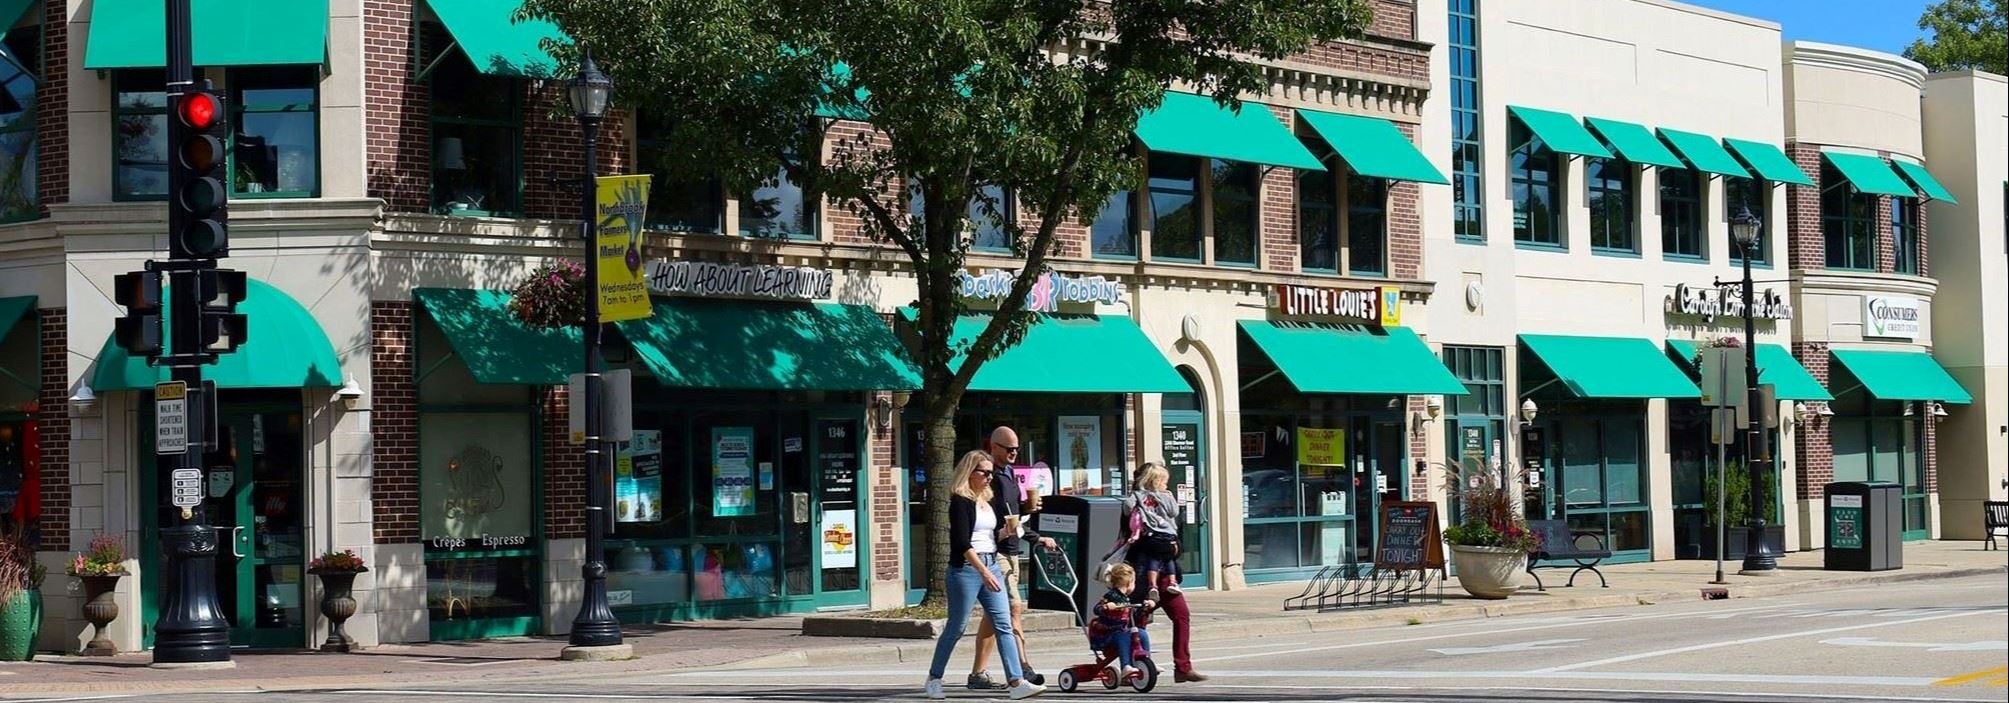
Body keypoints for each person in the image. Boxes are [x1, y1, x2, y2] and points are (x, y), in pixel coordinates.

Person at [924, 450, 1046, 700]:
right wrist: (982, 572)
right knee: (956, 627)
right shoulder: (960, 501)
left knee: (1004, 624)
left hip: (991, 563)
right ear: (969, 472)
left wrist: (1003, 535)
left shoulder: (986, 499)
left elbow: (987, 537)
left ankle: (1016, 681)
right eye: (985, 472)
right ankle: (934, 678)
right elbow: (961, 543)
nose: (990, 477)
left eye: (992, 473)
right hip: (966, 570)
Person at [969, 426, 1057, 689]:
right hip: (996, 551)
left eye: (1016, 449)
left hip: (1012, 548)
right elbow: (991, 514)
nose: (1014, 453)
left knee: (994, 614)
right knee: (1013, 607)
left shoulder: (1009, 473)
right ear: (993, 446)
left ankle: (977, 674)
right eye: (1009, 449)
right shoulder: (988, 476)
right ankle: (1023, 668)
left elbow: (1012, 514)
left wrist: (1029, 519)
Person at [1122, 466, 1208, 684]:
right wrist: (1168, 547)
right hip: (1142, 574)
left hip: (1165, 575)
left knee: (1181, 615)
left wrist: (1173, 547)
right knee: (1136, 622)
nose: (1165, 485)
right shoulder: (1135, 504)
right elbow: (1136, 539)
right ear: (1152, 481)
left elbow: (1175, 534)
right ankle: (1132, 667)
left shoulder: (1166, 503)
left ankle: (1183, 667)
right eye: (1162, 481)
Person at [1125, 462, 1183, 601]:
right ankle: (1170, 582)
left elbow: (1127, 508)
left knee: (1155, 561)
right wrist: (1168, 497)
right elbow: (1174, 512)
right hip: (1163, 537)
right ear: (1156, 482)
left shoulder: (1140, 495)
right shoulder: (1158, 495)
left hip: (1152, 538)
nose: (1166, 485)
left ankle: (1155, 586)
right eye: (1165, 482)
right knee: (1164, 560)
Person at [1090, 563, 1153, 681]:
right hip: (1107, 635)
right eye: (1134, 582)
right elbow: (1096, 609)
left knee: (1141, 632)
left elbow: (1133, 613)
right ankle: (1126, 666)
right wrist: (1106, 606)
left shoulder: (1126, 598)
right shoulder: (1111, 595)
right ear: (1129, 583)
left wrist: (1146, 605)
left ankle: (1147, 659)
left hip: (1121, 631)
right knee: (1123, 636)